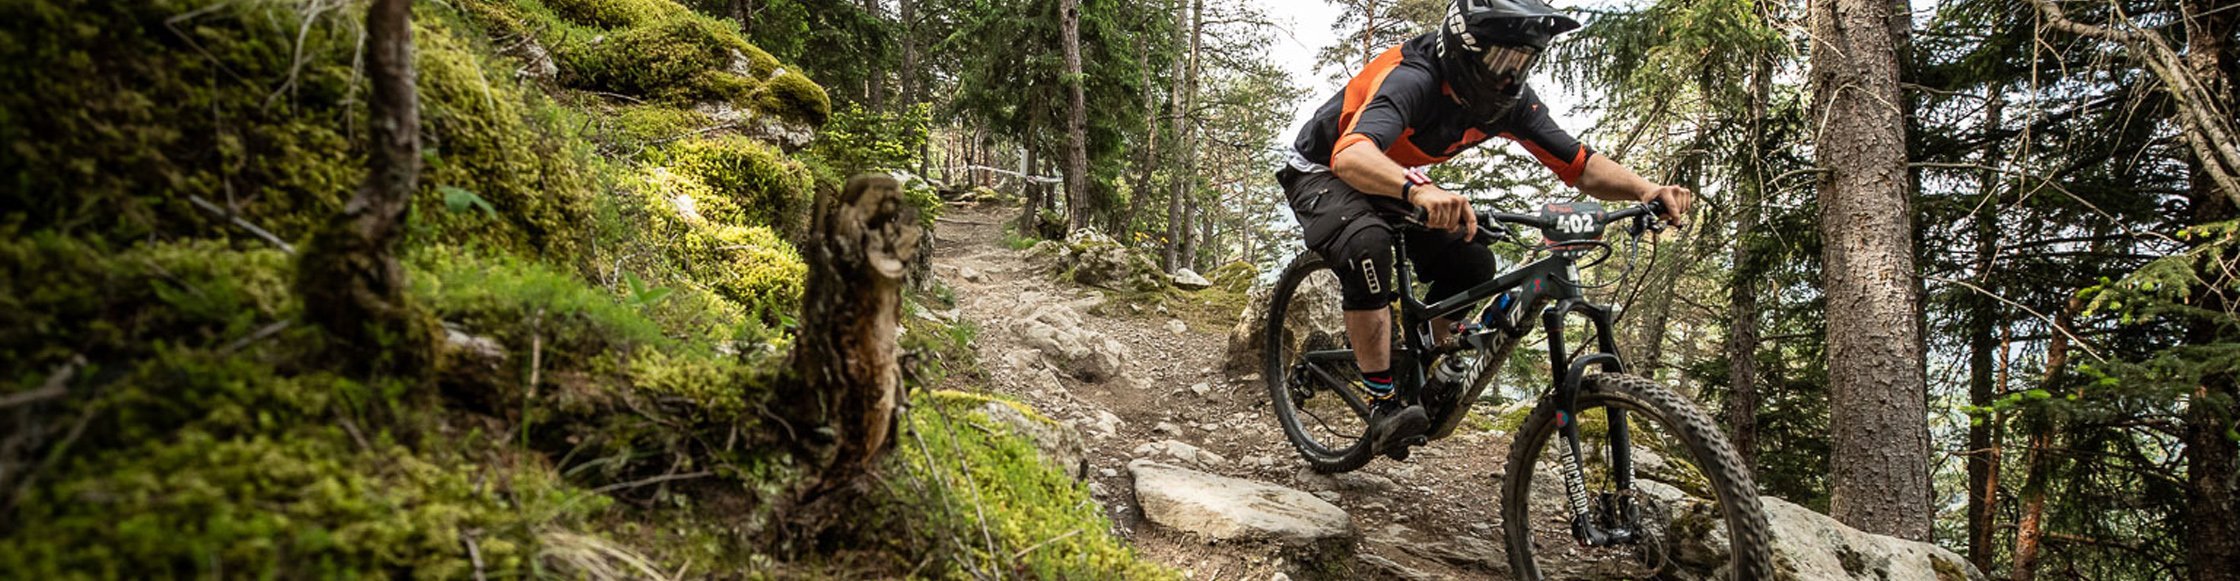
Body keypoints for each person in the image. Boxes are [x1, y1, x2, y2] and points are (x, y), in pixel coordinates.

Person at [1277, 0, 1694, 455]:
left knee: (1473, 260)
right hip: (1322, 168)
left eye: (1524, 61)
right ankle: (1383, 404)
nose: (1511, 75)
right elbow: (1350, 155)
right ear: (1463, 49)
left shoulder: (1510, 104)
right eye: (1502, 59)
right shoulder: (1414, 77)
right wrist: (1418, 192)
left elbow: (1580, 164)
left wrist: (1645, 189)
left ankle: (1428, 363)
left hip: (1390, 175)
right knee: (1368, 244)